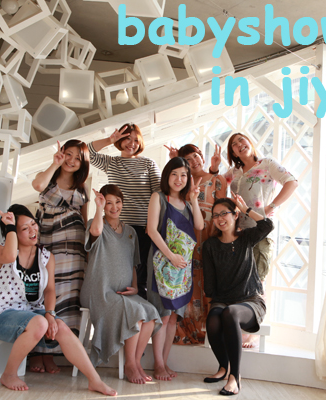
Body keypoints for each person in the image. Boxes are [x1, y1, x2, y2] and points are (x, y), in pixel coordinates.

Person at [0, 205, 116, 396]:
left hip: (32, 314)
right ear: (12, 232)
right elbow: (10, 255)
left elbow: (50, 290)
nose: (32, 230)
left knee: (60, 326)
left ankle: (94, 380)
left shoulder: (45, 256)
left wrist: (50, 314)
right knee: (40, 322)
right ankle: (9, 374)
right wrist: (10, 226)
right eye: (24, 228)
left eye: (33, 224)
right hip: (2, 316)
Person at [81, 184, 161, 384]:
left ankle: (135, 362)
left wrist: (135, 287)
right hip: (100, 291)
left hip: (123, 293)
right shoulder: (95, 224)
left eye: (117, 202)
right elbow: (96, 231)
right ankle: (130, 365)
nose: (114, 207)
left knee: (151, 314)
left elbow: (132, 264)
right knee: (136, 313)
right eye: (108, 203)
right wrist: (98, 207)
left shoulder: (131, 232)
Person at [224, 132, 298, 348]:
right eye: (234, 144)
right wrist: (212, 168)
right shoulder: (234, 172)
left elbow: (292, 182)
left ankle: (254, 331)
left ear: (250, 141)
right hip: (238, 233)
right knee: (241, 281)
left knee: (257, 280)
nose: (239, 145)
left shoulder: (267, 164)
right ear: (232, 152)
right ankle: (240, 326)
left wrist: (271, 206)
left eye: (241, 140)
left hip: (261, 231)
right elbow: (216, 185)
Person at [202, 195, 274, 395]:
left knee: (230, 313)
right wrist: (211, 306)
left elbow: (267, 225)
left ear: (235, 215)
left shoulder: (246, 238)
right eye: (215, 215)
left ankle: (235, 377)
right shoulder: (210, 246)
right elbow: (210, 282)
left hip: (250, 301)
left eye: (224, 213)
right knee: (213, 319)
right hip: (222, 300)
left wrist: (246, 209)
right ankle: (223, 367)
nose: (219, 218)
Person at [30, 139, 90, 372]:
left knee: (67, 299)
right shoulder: (47, 177)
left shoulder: (82, 187)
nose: (72, 161)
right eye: (69, 154)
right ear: (61, 153)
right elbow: (37, 185)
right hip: (48, 243)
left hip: (73, 252)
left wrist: (86, 253)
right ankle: (38, 351)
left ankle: (53, 352)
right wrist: (54, 163)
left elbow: (84, 219)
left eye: (78, 158)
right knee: (45, 292)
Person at [146, 157, 204, 380]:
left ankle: (165, 361)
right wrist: (170, 256)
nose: (179, 179)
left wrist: (194, 200)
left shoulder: (187, 204)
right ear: (166, 176)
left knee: (173, 318)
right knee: (162, 315)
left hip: (181, 269)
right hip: (161, 265)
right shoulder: (158, 197)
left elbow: (199, 225)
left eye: (183, 175)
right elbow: (152, 230)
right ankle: (158, 365)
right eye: (174, 174)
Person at [163, 143, 227, 345]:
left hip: (209, 236)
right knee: (188, 279)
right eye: (188, 159)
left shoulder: (217, 179)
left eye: (196, 156)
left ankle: (209, 328)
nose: (194, 161)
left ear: (202, 157)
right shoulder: (182, 182)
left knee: (208, 279)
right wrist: (175, 161)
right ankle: (187, 327)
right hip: (186, 238)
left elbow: (224, 209)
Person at [88, 123, 161, 299]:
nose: (132, 143)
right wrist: (109, 140)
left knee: (141, 276)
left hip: (144, 229)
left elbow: (159, 196)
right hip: (118, 230)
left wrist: (152, 224)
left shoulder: (148, 164)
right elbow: (88, 152)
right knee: (120, 272)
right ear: (120, 140)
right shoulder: (111, 163)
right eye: (127, 138)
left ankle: (140, 310)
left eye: (136, 140)